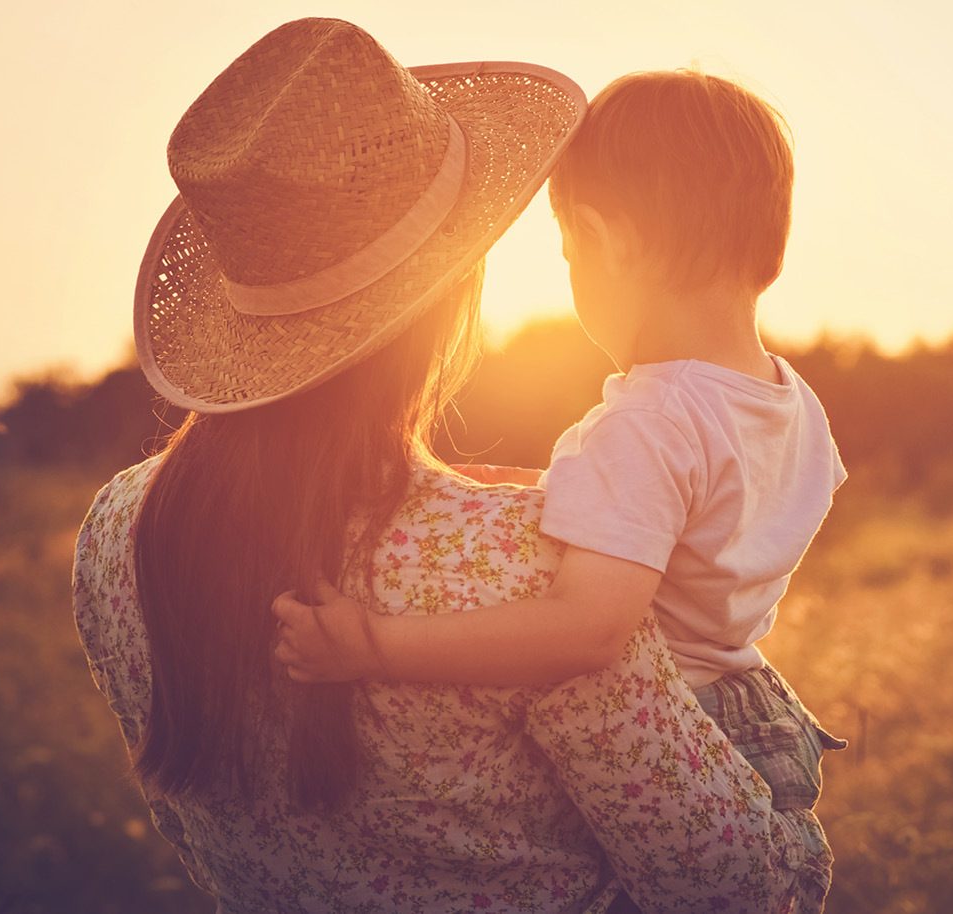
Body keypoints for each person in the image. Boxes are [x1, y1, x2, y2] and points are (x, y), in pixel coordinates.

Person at [74, 18, 824, 914]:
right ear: (451, 284)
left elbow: (193, 824)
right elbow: (731, 887)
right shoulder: (519, 573)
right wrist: (794, 842)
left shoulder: (121, 525)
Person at [273, 69, 847, 910]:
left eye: (572, 254)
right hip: (758, 710)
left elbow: (589, 631)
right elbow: (703, 518)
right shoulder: (791, 402)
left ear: (599, 238)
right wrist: (567, 489)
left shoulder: (650, 420)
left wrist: (374, 645)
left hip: (675, 738)